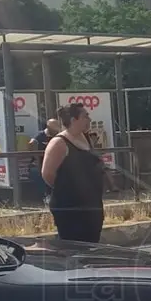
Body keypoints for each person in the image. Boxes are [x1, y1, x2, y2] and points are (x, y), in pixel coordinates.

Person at [41, 104, 106, 243]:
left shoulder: (86, 138)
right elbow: (47, 174)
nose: (89, 119)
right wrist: (68, 189)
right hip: (70, 208)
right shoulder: (59, 143)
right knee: (74, 246)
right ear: (73, 120)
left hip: (92, 205)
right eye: (85, 116)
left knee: (92, 245)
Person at [28, 118, 61, 202]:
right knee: (36, 171)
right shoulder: (41, 135)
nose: (56, 130)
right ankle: (46, 196)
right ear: (49, 128)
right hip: (41, 164)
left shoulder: (58, 136)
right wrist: (36, 158)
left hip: (54, 164)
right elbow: (32, 143)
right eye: (54, 128)